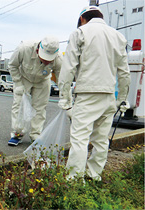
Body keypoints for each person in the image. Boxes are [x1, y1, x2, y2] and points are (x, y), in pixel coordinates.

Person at [58, 6, 131, 181]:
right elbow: (124, 73)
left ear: (82, 18)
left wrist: (65, 100)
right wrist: (121, 100)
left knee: (80, 139)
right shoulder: (118, 36)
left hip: (87, 94)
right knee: (101, 140)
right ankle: (94, 175)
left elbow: (68, 69)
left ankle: (74, 180)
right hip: (108, 96)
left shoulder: (80, 33)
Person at [8, 36, 63, 146]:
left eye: (49, 60)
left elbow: (61, 77)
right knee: (19, 106)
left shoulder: (59, 59)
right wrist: (18, 83)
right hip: (24, 78)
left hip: (43, 80)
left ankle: (36, 135)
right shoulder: (24, 48)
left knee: (40, 107)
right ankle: (17, 134)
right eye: (44, 59)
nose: (47, 62)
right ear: (38, 51)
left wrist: (65, 95)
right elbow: (12, 65)